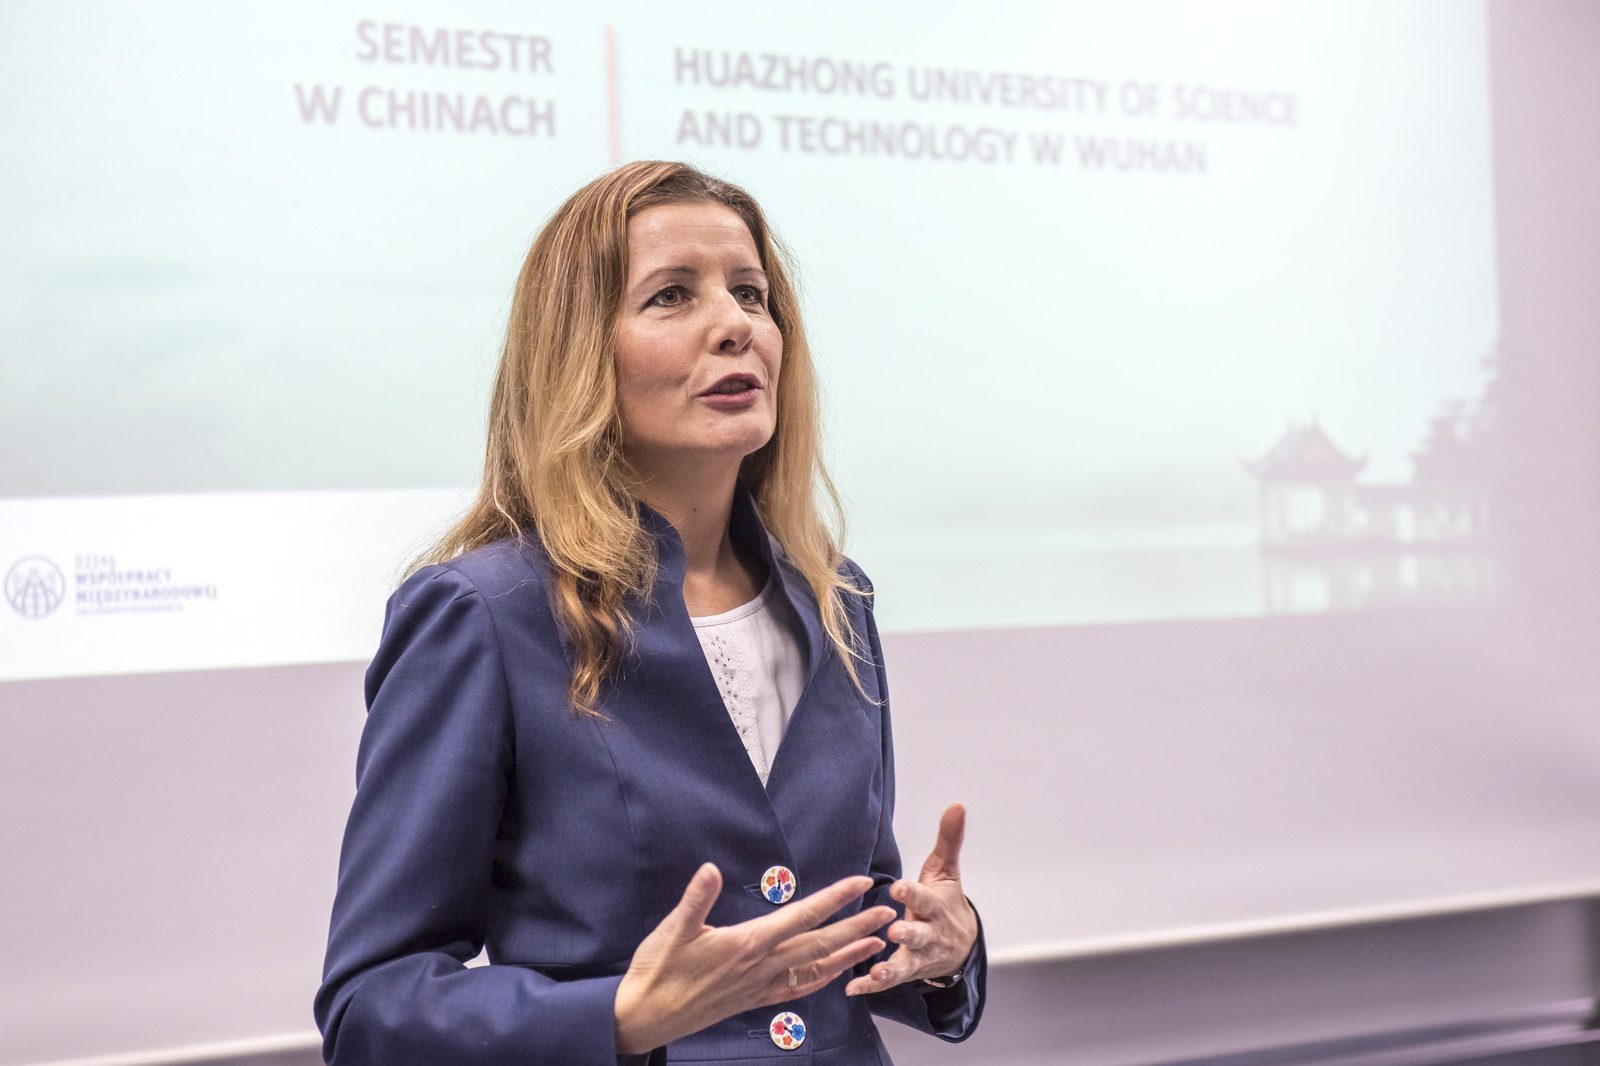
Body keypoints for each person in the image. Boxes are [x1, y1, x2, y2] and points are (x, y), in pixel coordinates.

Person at [314, 160, 986, 1064]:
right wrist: (620, 1017)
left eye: (751, 294)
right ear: (580, 354)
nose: (735, 324)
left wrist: (938, 946)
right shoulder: (484, 615)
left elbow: (829, 916)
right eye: (672, 295)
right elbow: (371, 1007)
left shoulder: (836, 599)